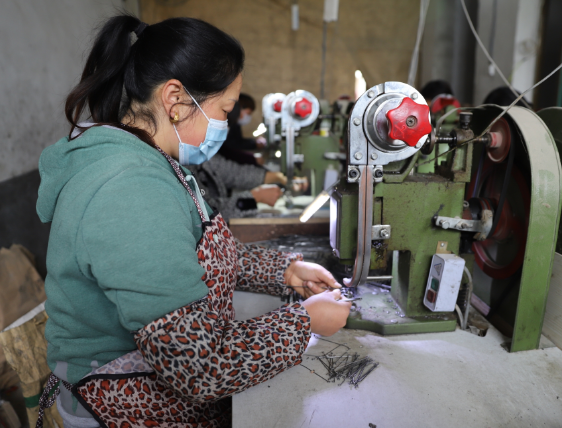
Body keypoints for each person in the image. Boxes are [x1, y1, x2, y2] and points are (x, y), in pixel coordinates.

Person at [35, 15, 350, 428]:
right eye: (223, 110)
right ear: (176, 100)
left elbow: (189, 252)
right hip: (116, 401)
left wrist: (285, 271)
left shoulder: (154, 162)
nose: (224, 123)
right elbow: (198, 366)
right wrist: (304, 321)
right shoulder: (130, 188)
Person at [219, 93, 265, 165]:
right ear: (239, 108)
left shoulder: (234, 124)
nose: (248, 117)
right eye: (248, 114)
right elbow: (230, 147)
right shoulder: (227, 123)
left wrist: (254, 143)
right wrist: (251, 158)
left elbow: (237, 142)